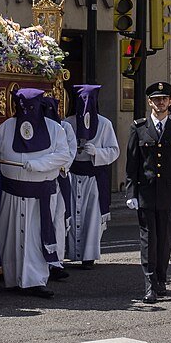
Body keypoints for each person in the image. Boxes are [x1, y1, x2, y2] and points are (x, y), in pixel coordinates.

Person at [0, 88, 73, 298]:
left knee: (36, 239)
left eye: (32, 107)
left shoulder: (55, 130)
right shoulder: (8, 127)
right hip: (11, 193)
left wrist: (37, 164)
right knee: (10, 237)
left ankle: (35, 280)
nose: (27, 111)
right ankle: (13, 278)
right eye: (22, 107)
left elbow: (63, 155)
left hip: (39, 195)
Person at [125, 82, 171, 303]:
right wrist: (131, 192)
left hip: (169, 195)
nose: (160, 102)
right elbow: (132, 162)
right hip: (146, 193)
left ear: (169, 102)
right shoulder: (139, 127)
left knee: (165, 239)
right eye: (156, 99)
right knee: (148, 239)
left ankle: (161, 279)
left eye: (164, 98)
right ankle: (150, 284)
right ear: (150, 102)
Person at [64, 85, 119, 267]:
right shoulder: (68, 123)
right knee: (71, 212)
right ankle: (71, 252)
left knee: (91, 217)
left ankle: (88, 255)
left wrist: (97, 152)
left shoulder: (104, 124)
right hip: (73, 174)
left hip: (94, 177)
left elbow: (114, 150)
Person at [43, 95, 75, 280]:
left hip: (59, 177)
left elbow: (70, 150)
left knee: (59, 220)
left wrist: (61, 165)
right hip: (44, 177)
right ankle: (45, 259)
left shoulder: (64, 127)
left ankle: (57, 260)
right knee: (45, 218)